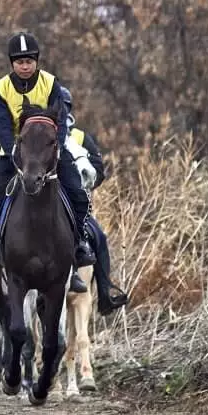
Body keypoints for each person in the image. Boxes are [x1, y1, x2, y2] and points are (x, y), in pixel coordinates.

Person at [0, 33, 95, 269]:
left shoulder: (51, 84)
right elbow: (2, 126)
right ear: (12, 63)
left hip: (49, 152)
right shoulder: (1, 89)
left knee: (78, 193)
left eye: (29, 61)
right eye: (20, 62)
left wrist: (57, 148)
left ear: (36, 61)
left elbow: (59, 119)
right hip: (14, 154)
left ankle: (81, 242)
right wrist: (15, 153)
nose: (25, 66)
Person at [60, 88, 128, 314]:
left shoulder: (80, 137)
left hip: (75, 207)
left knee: (99, 236)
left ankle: (107, 291)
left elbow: (99, 170)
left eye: (62, 107)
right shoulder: (41, 133)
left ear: (68, 109)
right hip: (43, 200)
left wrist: (85, 183)